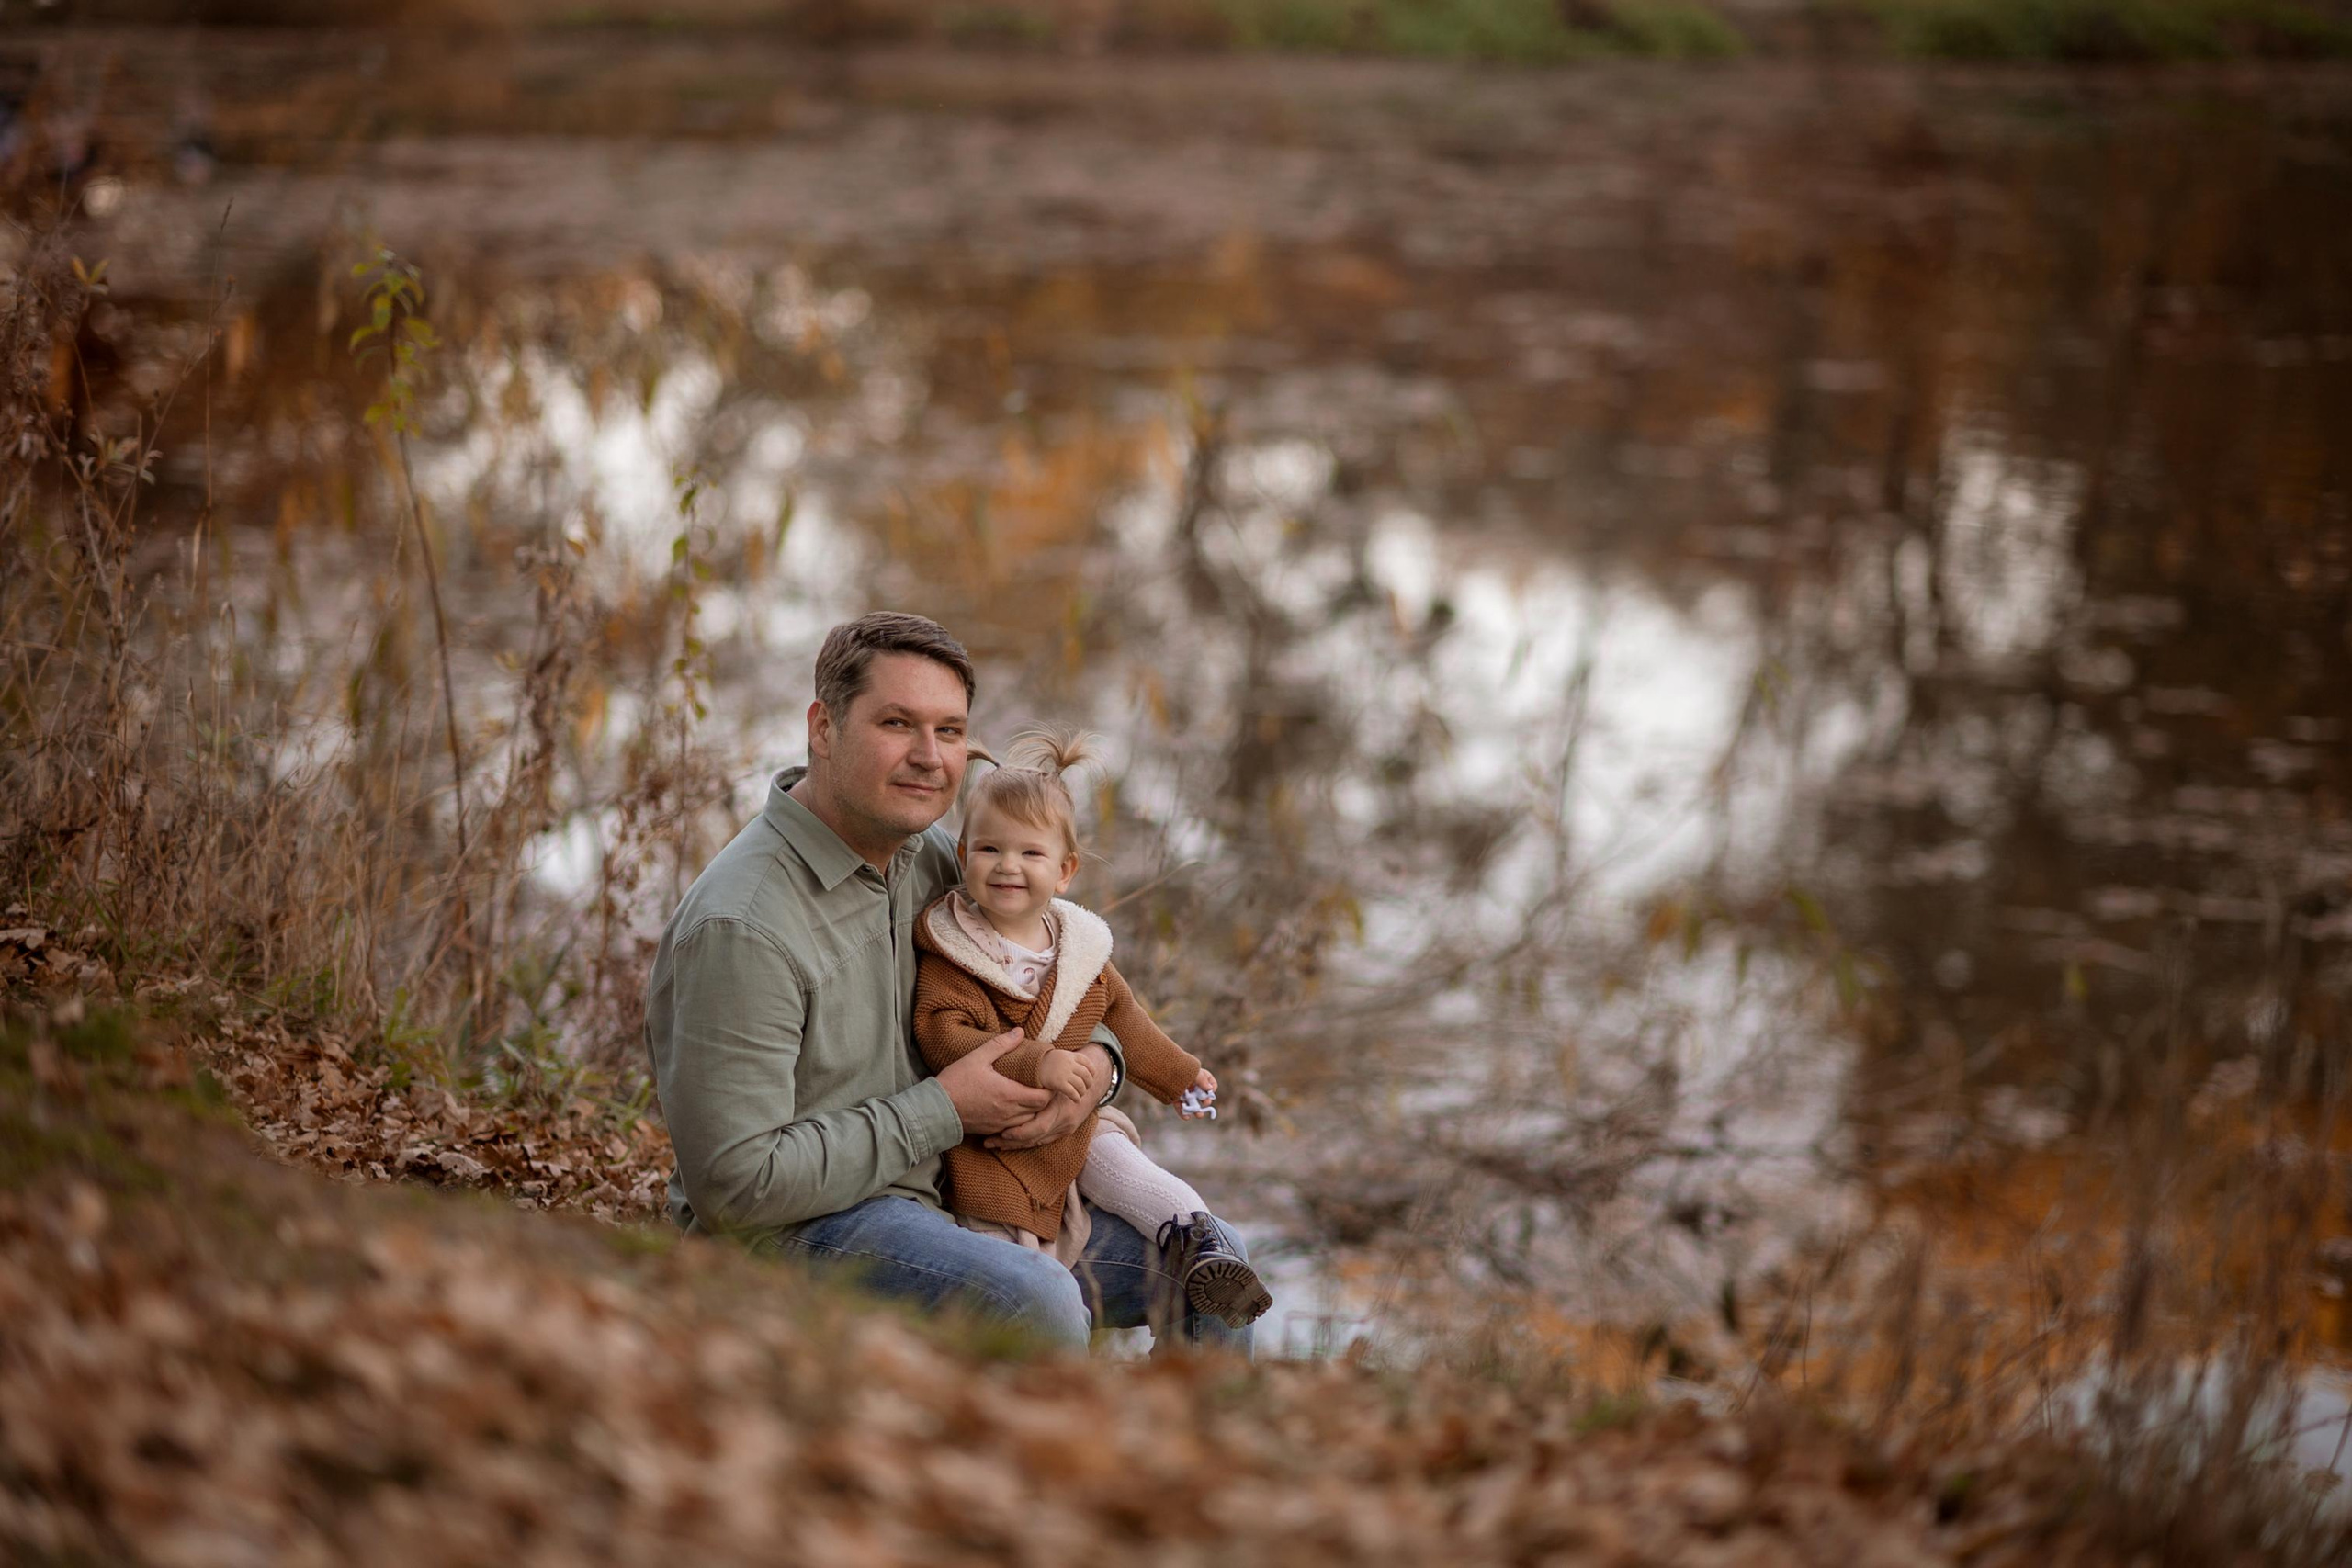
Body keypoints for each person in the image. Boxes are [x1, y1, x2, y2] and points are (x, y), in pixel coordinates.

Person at [642, 611, 1254, 1352]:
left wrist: (1101, 1065)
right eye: (897, 723)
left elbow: (1062, 980)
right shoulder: (743, 924)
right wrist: (944, 1109)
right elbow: (737, 1187)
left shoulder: (938, 860)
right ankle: (1041, 1464)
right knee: (1037, 1300)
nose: (929, 757)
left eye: (951, 730)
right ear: (823, 727)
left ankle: (1190, 1462)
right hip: (800, 1231)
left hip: (955, 1194)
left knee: (1210, 1262)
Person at [912, 731, 1272, 1329]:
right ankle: (1035, 1341)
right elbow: (942, 1034)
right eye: (989, 849)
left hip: (1080, 1119)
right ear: (963, 854)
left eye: (1030, 853)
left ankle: (1196, 1239)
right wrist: (1038, 1061)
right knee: (1010, 1239)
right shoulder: (955, 951)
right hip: (997, 1135)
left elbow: (1124, 1017)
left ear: (1065, 871)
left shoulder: (1076, 950)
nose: (1007, 865)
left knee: (1123, 1163)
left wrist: (1180, 1075)